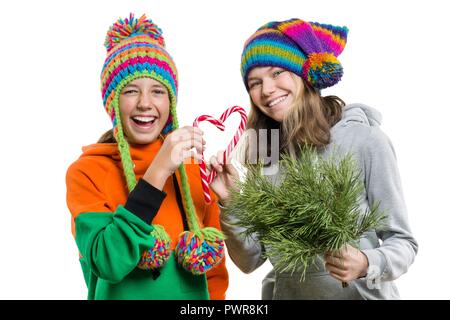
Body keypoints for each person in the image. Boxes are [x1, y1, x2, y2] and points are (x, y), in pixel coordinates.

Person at [209, 18, 418, 299]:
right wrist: (231, 203)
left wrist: (366, 263)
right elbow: (250, 261)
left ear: (305, 75)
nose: (267, 90)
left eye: (277, 72)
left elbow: (403, 242)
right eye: (254, 83)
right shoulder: (267, 156)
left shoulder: (365, 141)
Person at [66, 13, 228, 300]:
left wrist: (231, 200)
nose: (145, 103)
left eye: (157, 91)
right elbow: (107, 261)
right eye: (130, 91)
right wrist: (158, 173)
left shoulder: (193, 169)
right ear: (113, 103)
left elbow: (213, 268)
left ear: (171, 102)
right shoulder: (87, 171)